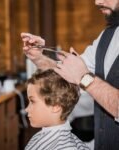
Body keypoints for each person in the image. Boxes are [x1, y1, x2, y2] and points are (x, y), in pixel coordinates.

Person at [21, 0, 119, 149]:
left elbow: (80, 75)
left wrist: (83, 77)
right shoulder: (108, 36)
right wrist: (39, 58)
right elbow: (68, 73)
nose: (97, 1)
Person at [25, 69, 90, 150]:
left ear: (56, 106)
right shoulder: (38, 136)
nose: (26, 109)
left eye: (32, 101)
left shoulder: (65, 147)